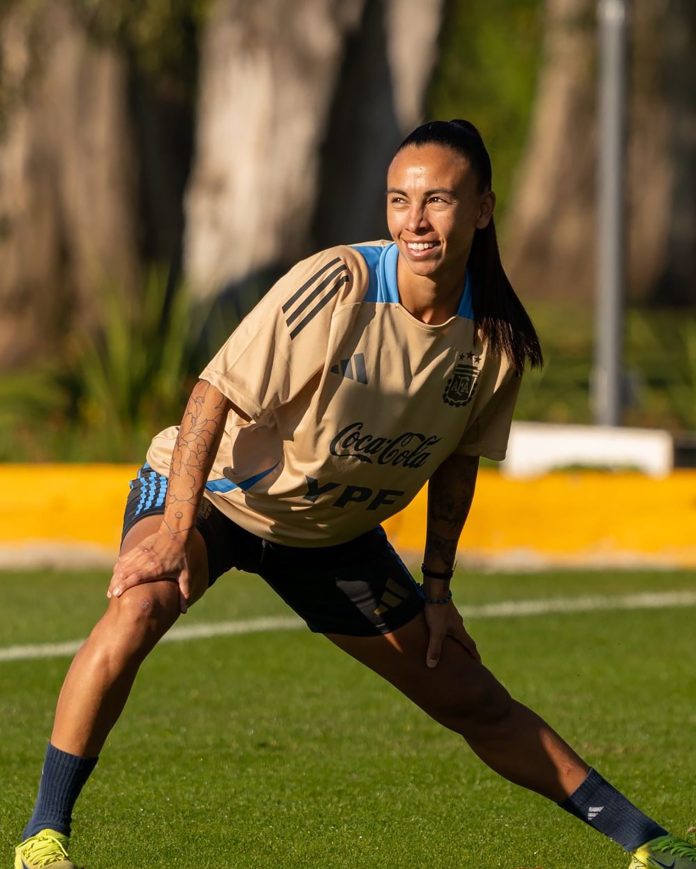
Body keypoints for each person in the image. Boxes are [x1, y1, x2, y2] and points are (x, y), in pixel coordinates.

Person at [15, 120, 695, 869]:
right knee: (139, 603)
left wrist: (438, 587)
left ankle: (647, 841)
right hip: (212, 494)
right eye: (400, 199)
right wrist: (175, 530)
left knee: (468, 695)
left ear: (482, 209)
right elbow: (212, 392)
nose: (415, 218)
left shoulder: (494, 342)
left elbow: (459, 459)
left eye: (438, 199)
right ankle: (43, 839)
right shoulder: (339, 283)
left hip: (332, 536)